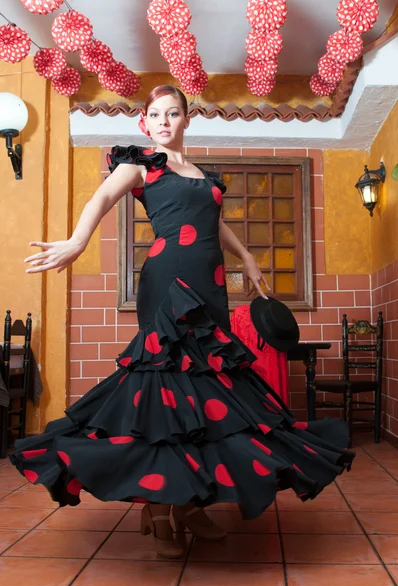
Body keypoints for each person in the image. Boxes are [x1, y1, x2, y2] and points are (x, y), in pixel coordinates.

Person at [9, 85, 355, 559]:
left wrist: (248, 258)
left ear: (186, 118)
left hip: (211, 286)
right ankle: (157, 505)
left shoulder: (201, 174)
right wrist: (77, 241)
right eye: (155, 114)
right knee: (167, 388)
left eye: (173, 113)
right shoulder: (140, 163)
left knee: (209, 390)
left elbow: (214, 223)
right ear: (145, 123)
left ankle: (190, 502)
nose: (164, 121)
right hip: (168, 279)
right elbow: (101, 198)